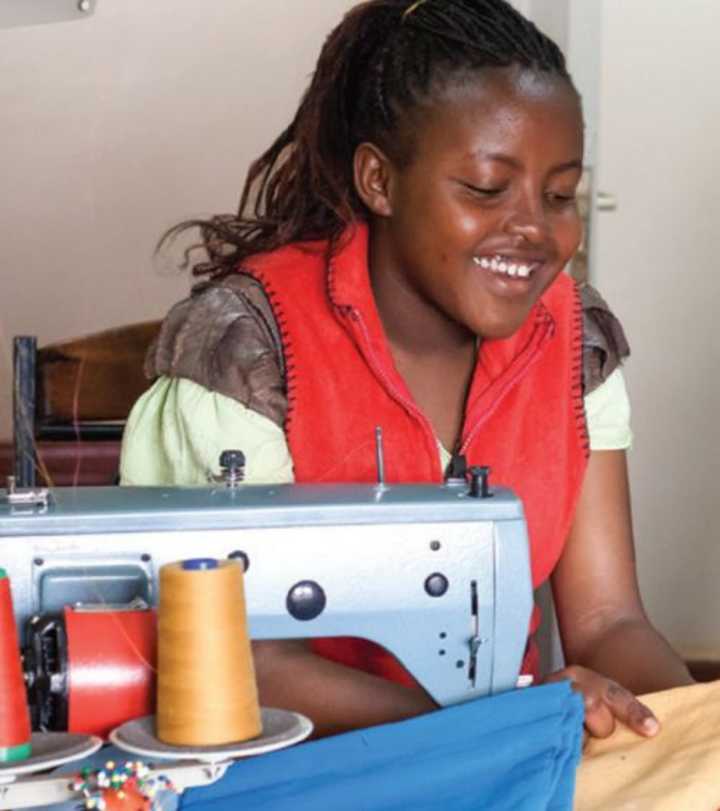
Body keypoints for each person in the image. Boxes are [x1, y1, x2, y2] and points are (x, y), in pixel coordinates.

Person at [120, 0, 693, 739]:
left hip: (493, 760)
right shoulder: (250, 350)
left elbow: (610, 619)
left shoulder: (572, 341)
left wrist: (689, 736)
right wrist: (494, 726)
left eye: (559, 196)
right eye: (486, 189)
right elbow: (245, 663)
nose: (534, 230)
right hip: (295, 775)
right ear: (379, 181)